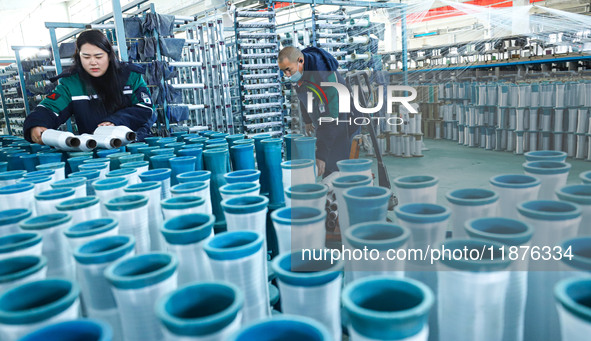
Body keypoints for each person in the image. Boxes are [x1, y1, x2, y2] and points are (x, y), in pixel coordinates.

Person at [24, 30, 153, 144]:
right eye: (86, 57)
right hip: (94, 149)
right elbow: (50, 107)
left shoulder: (130, 76)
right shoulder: (72, 84)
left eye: (98, 56)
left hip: (134, 144)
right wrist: (37, 123)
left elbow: (145, 108)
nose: (93, 62)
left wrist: (116, 121)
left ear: (109, 55)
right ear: (79, 57)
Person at [278, 46, 354, 177]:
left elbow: (330, 118)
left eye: (288, 70)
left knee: (336, 166)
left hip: (343, 117)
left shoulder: (324, 76)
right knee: (328, 162)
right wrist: (307, 120)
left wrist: (321, 155)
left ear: (300, 61)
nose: (287, 75)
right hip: (326, 118)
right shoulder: (299, 73)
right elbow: (303, 97)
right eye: (284, 71)